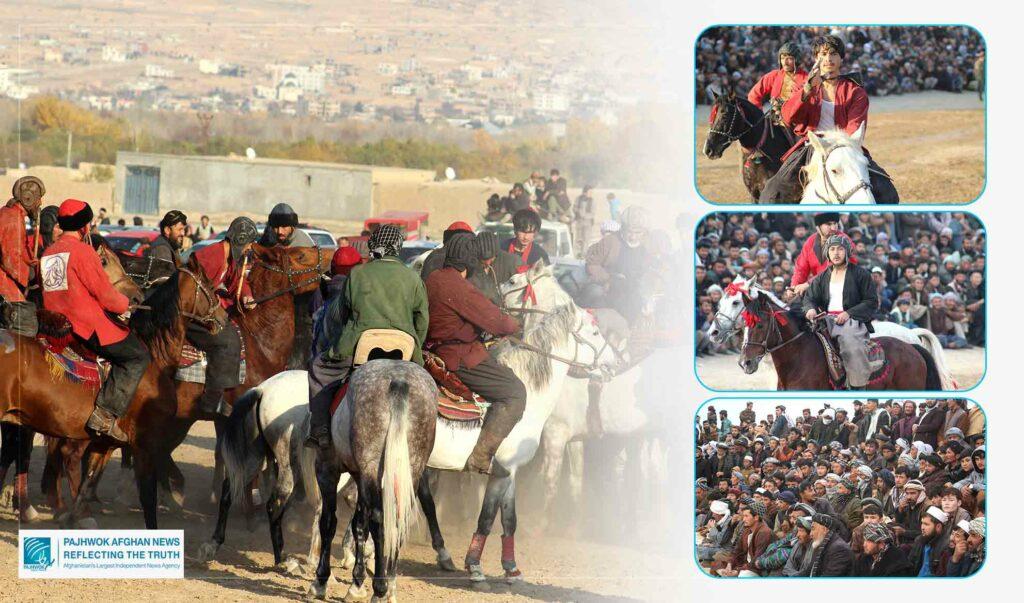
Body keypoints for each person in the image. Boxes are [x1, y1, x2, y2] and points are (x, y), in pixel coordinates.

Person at [305, 224, 429, 450]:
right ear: (398, 248)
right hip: (405, 347)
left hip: (360, 346)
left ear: (374, 246)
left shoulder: (358, 274)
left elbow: (341, 314)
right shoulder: (413, 277)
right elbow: (422, 319)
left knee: (319, 370)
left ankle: (320, 429)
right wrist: (416, 344)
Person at [41, 199, 150, 443]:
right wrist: (125, 304)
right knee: (137, 357)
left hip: (54, 323)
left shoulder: (49, 253)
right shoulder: (83, 251)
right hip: (85, 325)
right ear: (84, 226)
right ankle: (105, 413)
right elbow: (104, 293)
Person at [424, 234, 525, 474]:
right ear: (470, 263)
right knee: (515, 392)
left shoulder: (432, 279)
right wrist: (517, 323)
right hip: (458, 356)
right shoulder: (461, 288)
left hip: (430, 349)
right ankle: (481, 457)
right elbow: (502, 325)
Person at [759, 35, 898, 204]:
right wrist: (807, 90)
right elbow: (788, 117)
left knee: (887, 193)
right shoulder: (804, 86)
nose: (828, 59)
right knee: (772, 194)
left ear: (841, 58)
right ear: (816, 58)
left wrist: (838, 148)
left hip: (845, 147)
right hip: (811, 146)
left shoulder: (855, 91)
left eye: (833, 54)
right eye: (822, 54)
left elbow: (854, 128)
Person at [802, 234, 878, 389]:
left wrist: (848, 313)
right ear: (827, 253)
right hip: (825, 320)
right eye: (832, 249)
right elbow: (809, 298)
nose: (836, 253)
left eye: (840, 249)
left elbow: (871, 301)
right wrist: (810, 309)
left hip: (852, 320)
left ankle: (858, 386)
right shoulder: (822, 277)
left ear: (847, 252)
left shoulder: (861, 274)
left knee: (851, 346)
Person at [584, 205, 648, 322]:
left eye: (637, 232)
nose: (633, 237)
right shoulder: (610, 241)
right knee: (595, 293)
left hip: (633, 290)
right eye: (629, 232)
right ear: (622, 228)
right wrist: (607, 278)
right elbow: (592, 263)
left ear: (644, 232)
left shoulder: (647, 247)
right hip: (607, 287)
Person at [1, 176, 45, 310]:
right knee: (25, 319)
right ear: (28, 198)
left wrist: (29, 260)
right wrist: (31, 277)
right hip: (3, 280)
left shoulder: (11, 214)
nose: (40, 203)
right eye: (39, 199)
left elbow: (18, 248)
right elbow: (11, 259)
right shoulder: (13, 218)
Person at [789, 212, 856, 295]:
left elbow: (835, 270)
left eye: (835, 223)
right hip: (820, 290)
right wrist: (794, 286)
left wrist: (808, 284)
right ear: (818, 227)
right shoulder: (811, 241)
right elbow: (801, 269)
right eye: (828, 224)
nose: (833, 228)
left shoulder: (844, 240)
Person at [747, 42, 809, 124]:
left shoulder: (806, 79)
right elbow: (753, 95)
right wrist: (759, 116)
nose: (785, 62)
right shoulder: (774, 75)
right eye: (783, 58)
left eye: (789, 58)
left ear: (796, 60)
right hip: (774, 120)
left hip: (798, 124)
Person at [469, 231, 523, 306]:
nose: (487, 263)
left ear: (497, 253)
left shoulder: (512, 263)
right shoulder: (470, 266)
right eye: (483, 260)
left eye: (491, 259)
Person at [909, 506, 948, 577]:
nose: (922, 527)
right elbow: (911, 563)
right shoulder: (920, 540)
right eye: (922, 523)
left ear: (938, 527)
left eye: (926, 524)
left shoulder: (945, 547)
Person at [572, 185, 596, 256]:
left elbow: (592, 213)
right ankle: (576, 254)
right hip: (579, 221)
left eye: (592, 192)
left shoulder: (593, 201)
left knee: (586, 239)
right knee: (578, 239)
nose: (591, 193)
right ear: (585, 192)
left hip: (588, 223)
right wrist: (578, 211)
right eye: (590, 192)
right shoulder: (578, 199)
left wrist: (584, 215)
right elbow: (574, 208)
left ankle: (584, 254)